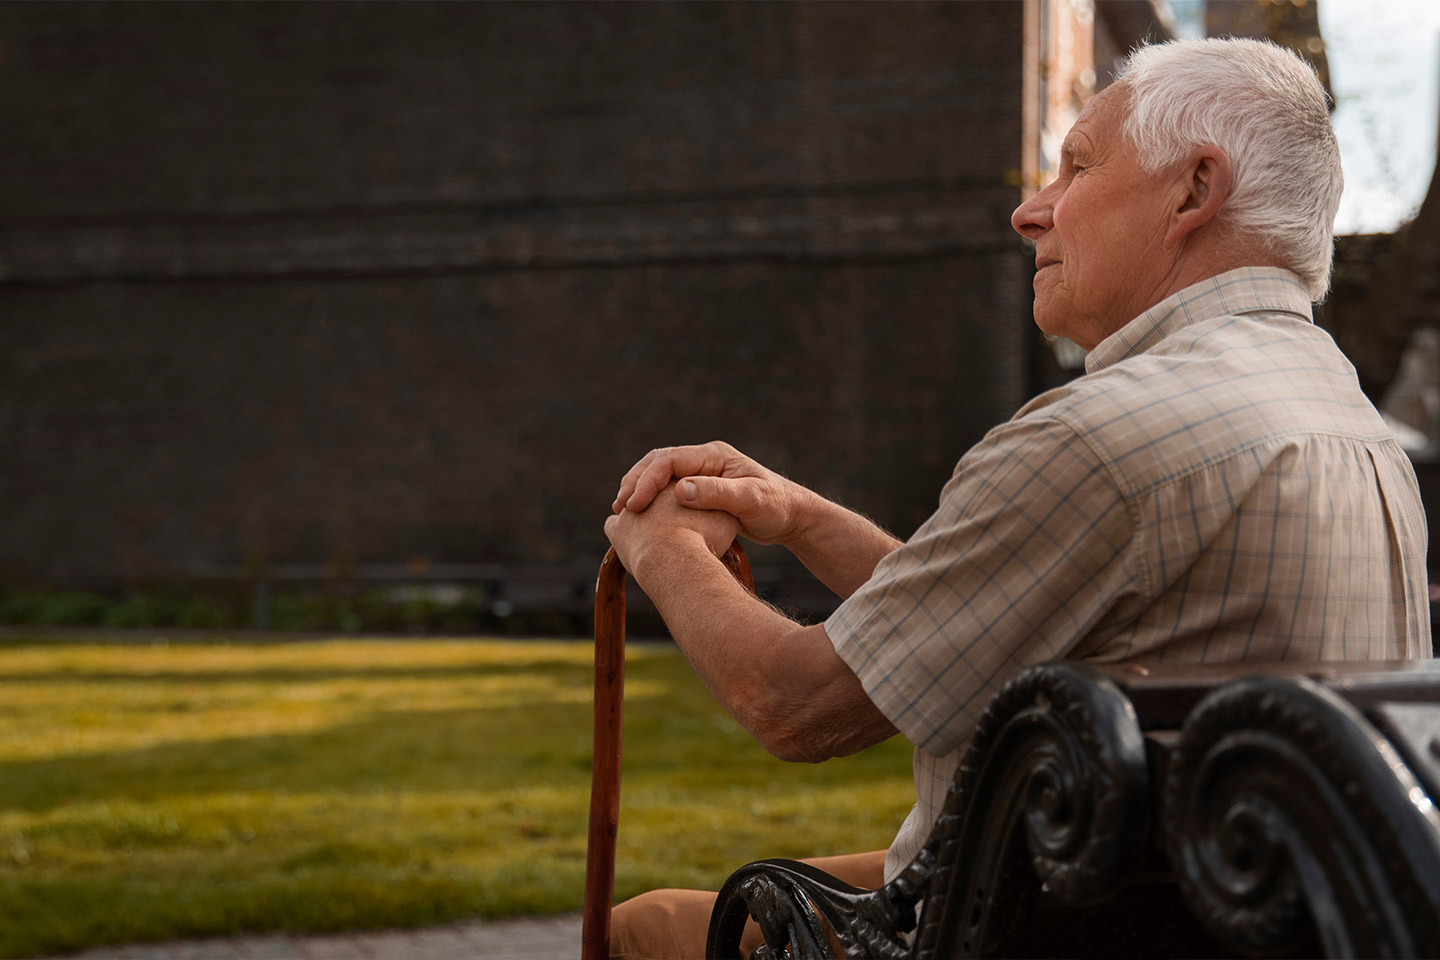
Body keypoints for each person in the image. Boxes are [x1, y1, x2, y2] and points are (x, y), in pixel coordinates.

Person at [602, 37, 1432, 960]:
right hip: (1246, 916)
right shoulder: (1354, 429)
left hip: (1025, 930)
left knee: (639, 931)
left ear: (1196, 191)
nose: (1028, 212)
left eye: (1076, 167)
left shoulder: (1101, 436)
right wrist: (803, 518)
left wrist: (660, 544)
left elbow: (797, 705)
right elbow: (979, 626)